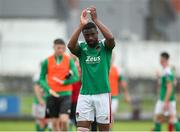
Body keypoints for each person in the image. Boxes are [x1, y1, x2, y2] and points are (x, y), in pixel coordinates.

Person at [68, 6, 115, 131]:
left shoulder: (104, 46)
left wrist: (96, 20)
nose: (90, 37)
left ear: (97, 33)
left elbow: (111, 39)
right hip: (85, 95)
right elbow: (70, 45)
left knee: (104, 129)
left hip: (103, 94)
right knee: (81, 129)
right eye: (86, 35)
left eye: (92, 34)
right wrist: (80, 26)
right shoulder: (82, 48)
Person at [39, 38, 79, 131]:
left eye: (62, 48)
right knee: (54, 123)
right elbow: (41, 79)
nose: (60, 50)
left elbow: (76, 77)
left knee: (64, 120)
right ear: (54, 47)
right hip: (51, 95)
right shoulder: (47, 61)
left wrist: (64, 82)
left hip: (65, 95)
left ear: (65, 49)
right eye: (58, 48)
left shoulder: (69, 60)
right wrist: (48, 90)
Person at [152, 52, 180, 131]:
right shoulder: (166, 71)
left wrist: (165, 102)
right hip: (165, 98)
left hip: (166, 99)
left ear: (163, 59)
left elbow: (169, 87)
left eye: (160, 59)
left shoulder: (167, 71)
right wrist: (159, 77)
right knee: (164, 118)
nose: (159, 61)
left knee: (169, 118)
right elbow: (169, 84)